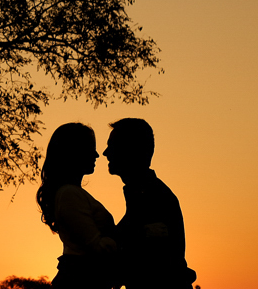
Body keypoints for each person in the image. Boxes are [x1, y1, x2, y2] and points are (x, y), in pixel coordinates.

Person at [104, 118, 197, 289]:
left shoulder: (154, 197)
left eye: (112, 145)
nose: (105, 153)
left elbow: (148, 261)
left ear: (130, 150)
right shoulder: (142, 193)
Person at [37, 122, 118, 288]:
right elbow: (98, 247)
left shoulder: (73, 193)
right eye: (90, 148)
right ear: (74, 152)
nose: (96, 155)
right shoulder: (69, 194)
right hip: (79, 281)